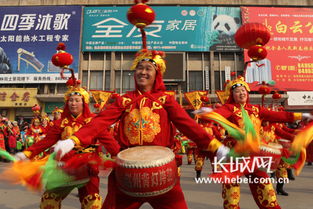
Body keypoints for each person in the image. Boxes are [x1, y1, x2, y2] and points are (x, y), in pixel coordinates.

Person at [53, 49, 226, 209]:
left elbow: (188, 125)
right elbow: (99, 122)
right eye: (139, 68)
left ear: (157, 74)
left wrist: (214, 146)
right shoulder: (125, 100)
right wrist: (73, 140)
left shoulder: (165, 100)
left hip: (162, 170)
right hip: (128, 172)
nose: (143, 72)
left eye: (148, 68)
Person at [204, 76, 313, 209]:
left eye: (243, 90)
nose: (241, 93)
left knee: (266, 188)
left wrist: (301, 115)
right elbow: (219, 114)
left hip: (254, 154)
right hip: (234, 155)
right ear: (232, 95)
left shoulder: (256, 109)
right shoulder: (229, 108)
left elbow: (278, 116)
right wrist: (211, 112)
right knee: (231, 193)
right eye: (237, 91)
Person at [14, 77, 120, 209]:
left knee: (92, 203)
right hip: (64, 168)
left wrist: (120, 156)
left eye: (77, 100)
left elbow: (108, 140)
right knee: (49, 201)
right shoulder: (61, 123)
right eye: (70, 100)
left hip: (87, 168)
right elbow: (47, 141)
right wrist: (27, 153)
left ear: (84, 102)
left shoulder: (93, 121)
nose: (73, 103)